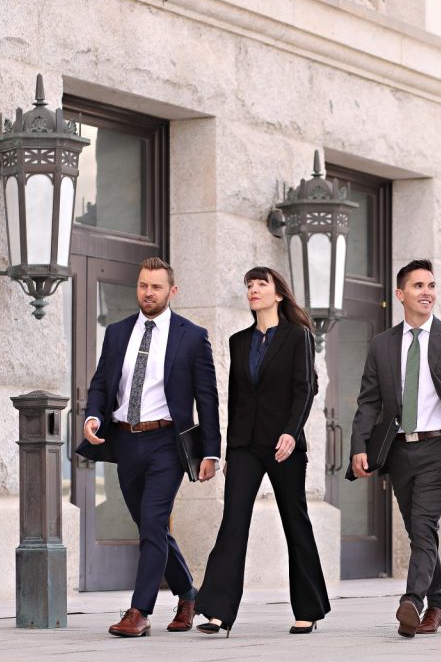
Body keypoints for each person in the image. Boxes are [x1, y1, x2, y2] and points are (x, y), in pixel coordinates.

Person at [77, 257, 221, 638]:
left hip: (166, 442)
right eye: (143, 285)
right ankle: (188, 593)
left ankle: (139, 611)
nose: (148, 293)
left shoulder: (191, 336)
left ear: (171, 291)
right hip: (125, 440)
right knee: (149, 526)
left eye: (156, 287)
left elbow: (207, 398)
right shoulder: (117, 332)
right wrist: (93, 416)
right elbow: (101, 384)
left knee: (154, 522)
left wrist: (211, 451)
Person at [194, 266, 330, 636]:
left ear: (278, 294)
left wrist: (291, 432)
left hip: (284, 444)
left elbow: (305, 389)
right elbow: (235, 398)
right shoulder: (239, 341)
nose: (253, 290)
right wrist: (228, 448)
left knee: (295, 521)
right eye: (249, 285)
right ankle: (217, 612)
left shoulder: (298, 336)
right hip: (245, 446)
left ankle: (309, 608)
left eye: (261, 285)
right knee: (233, 521)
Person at [350, 260, 441, 639]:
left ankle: (413, 600)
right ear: (400, 294)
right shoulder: (382, 344)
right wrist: (360, 446)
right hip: (398, 451)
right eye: (418, 285)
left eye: (432, 285)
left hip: (438, 448)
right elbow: (369, 401)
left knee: (423, 525)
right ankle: (438, 604)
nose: (427, 292)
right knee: (419, 530)